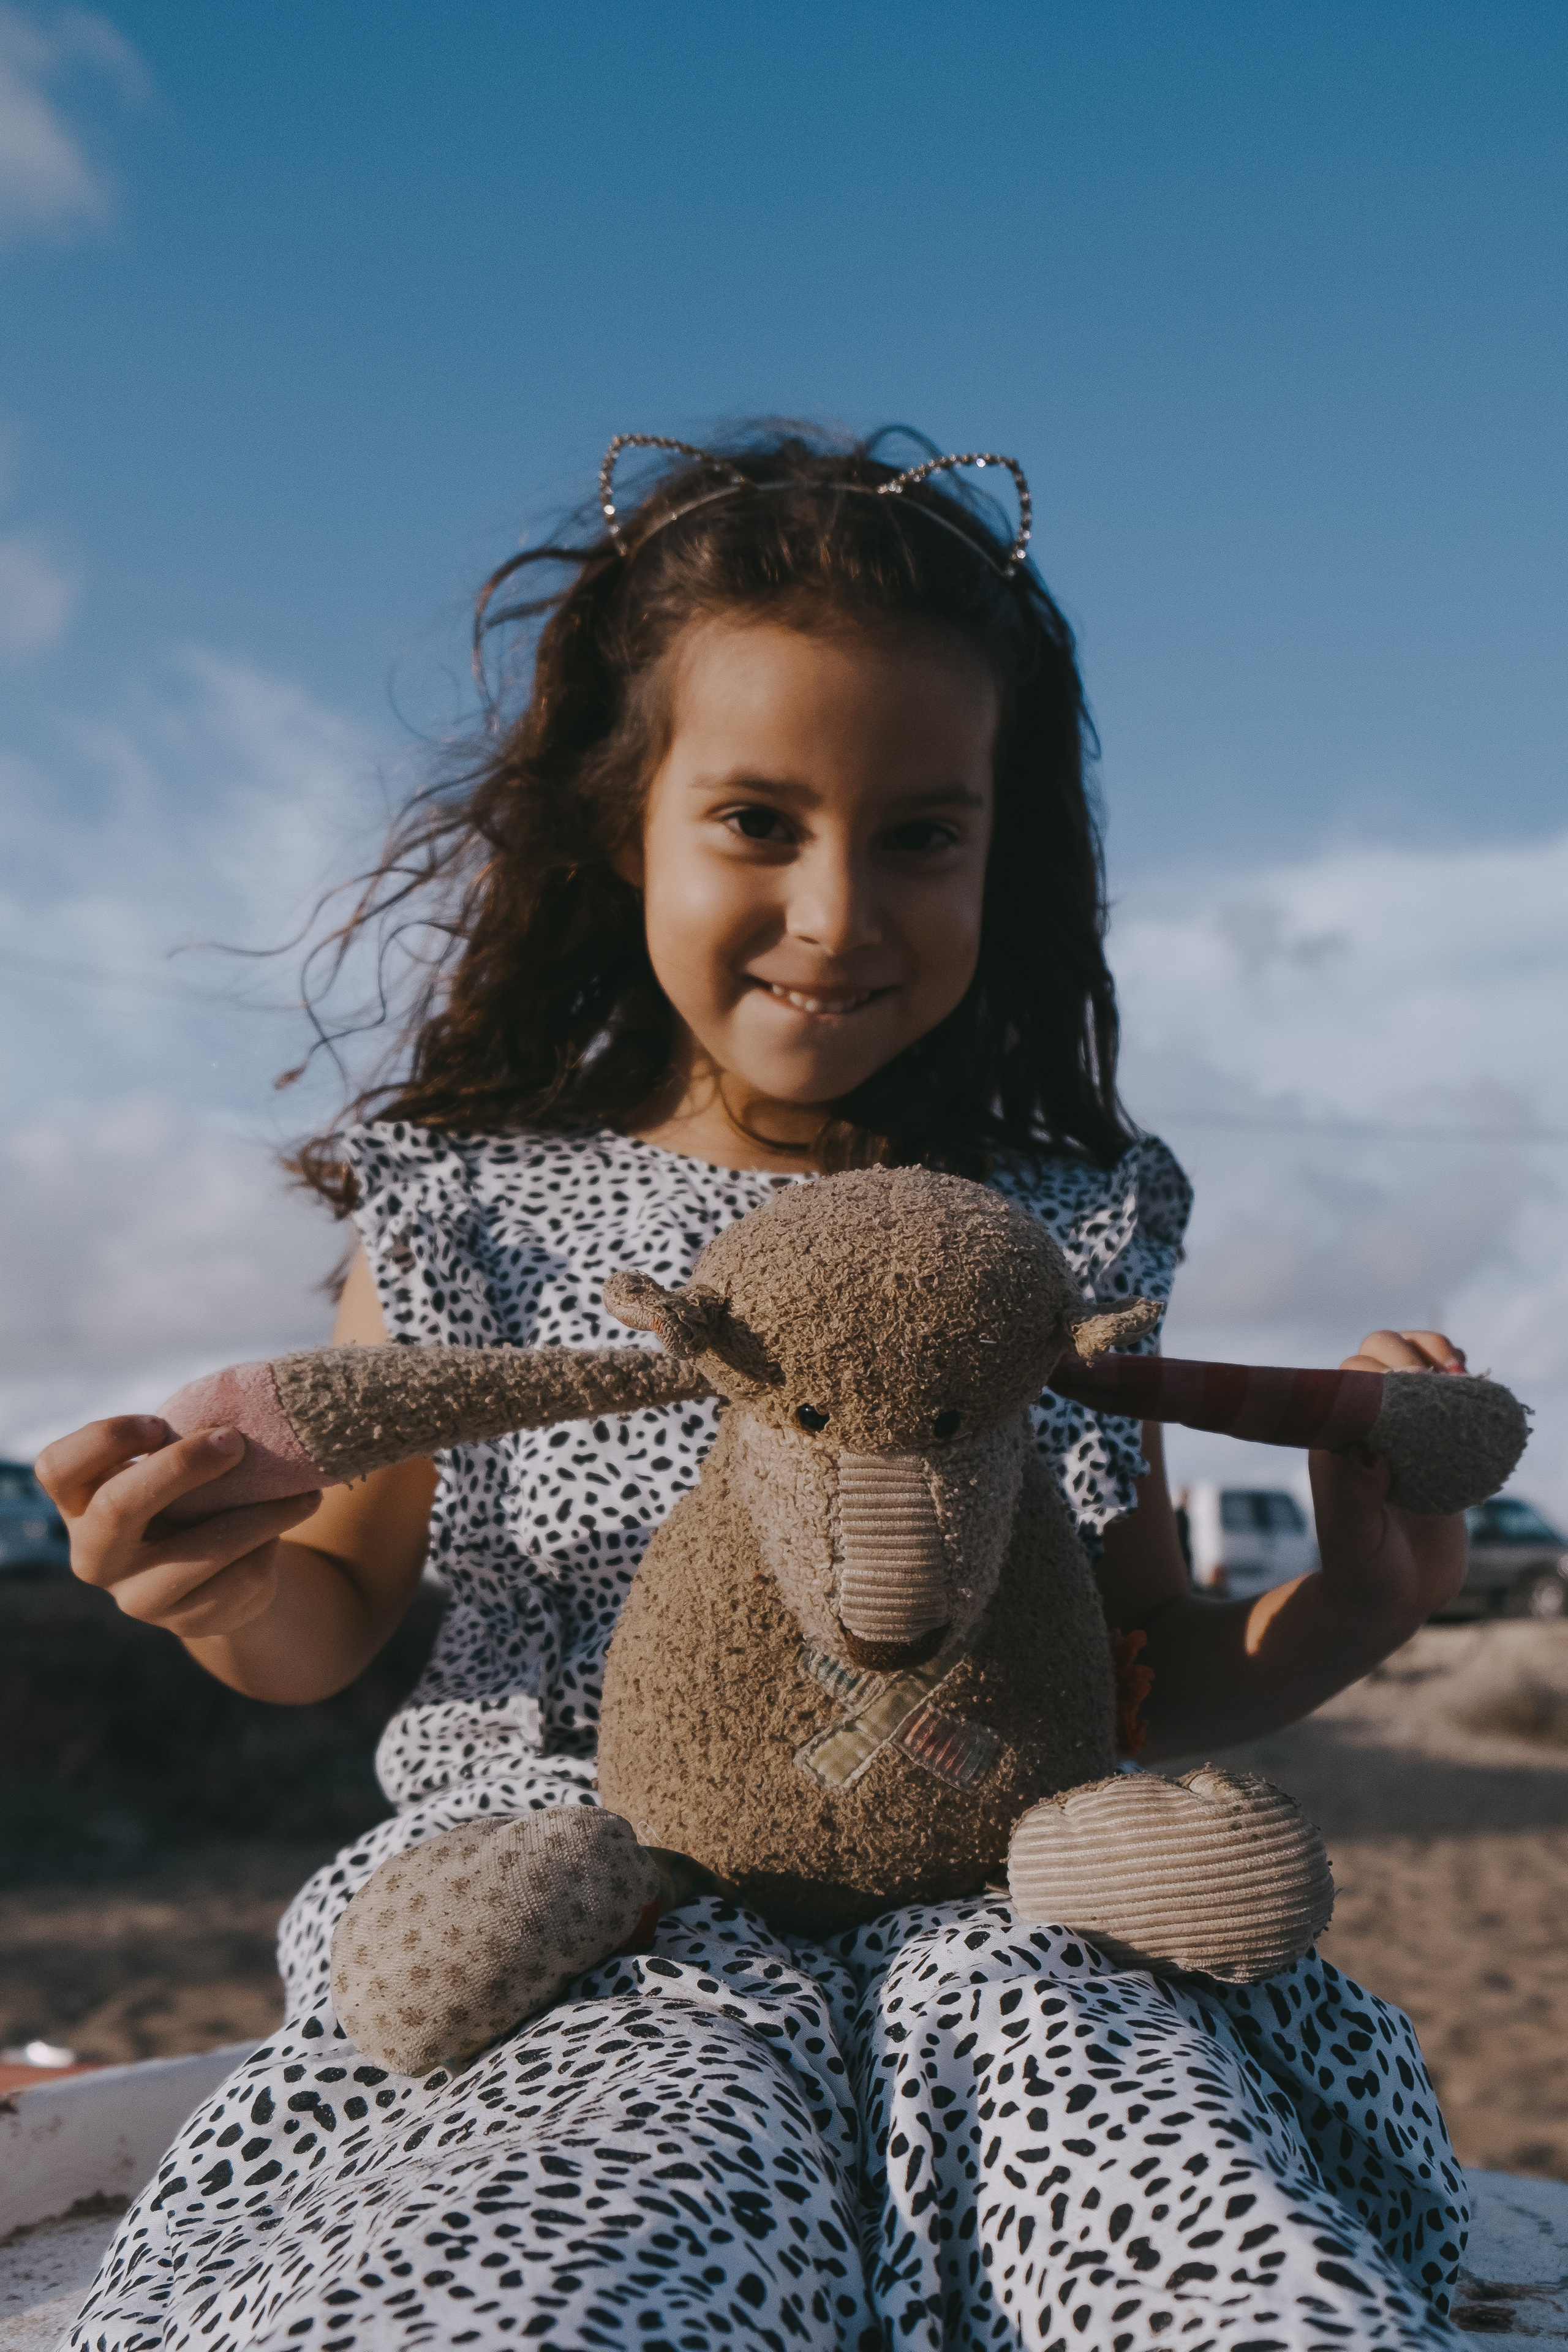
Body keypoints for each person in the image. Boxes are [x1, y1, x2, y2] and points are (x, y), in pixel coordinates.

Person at [40, 429, 1471, 2352]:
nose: (837, 913)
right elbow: (330, 1624)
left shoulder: (1056, 1239)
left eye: (921, 835)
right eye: (756, 822)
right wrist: (219, 1585)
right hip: (579, 1918)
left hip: (1006, 1926)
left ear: (1002, 852)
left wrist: (1360, 1606)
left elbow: (1128, 1677)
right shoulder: (479, 1204)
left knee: (1201, 2264)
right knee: (552, 2278)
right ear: (622, 827)